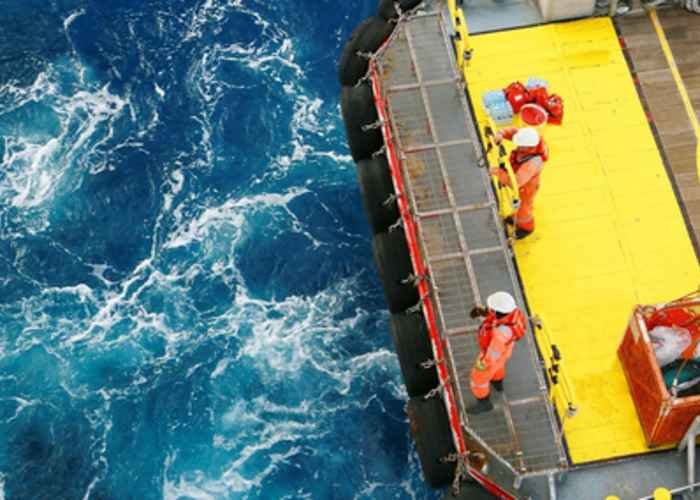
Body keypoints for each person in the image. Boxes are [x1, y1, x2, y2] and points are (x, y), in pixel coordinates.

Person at [467, 291, 527, 415]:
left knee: (478, 379)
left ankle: (484, 403)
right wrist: (483, 312)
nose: (489, 310)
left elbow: (493, 354)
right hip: (505, 351)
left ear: (497, 312)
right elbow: (498, 315)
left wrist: (482, 364)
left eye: (491, 309)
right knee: (499, 367)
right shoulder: (512, 314)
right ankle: (497, 382)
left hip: (494, 354)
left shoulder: (501, 334)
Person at [492, 127, 549, 239]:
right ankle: (515, 218)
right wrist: (501, 133)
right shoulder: (531, 138)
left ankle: (526, 228)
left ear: (528, 147)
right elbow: (513, 132)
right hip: (521, 177)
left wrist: (497, 172)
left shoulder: (533, 163)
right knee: (520, 208)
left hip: (526, 188)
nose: (518, 146)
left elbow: (516, 182)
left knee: (523, 209)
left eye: (521, 145)